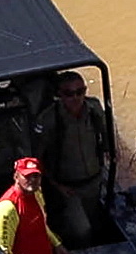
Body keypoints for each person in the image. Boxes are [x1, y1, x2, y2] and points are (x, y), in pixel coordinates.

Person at [33, 71, 110, 243]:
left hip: (94, 181)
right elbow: (37, 159)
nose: (76, 98)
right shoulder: (48, 119)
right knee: (82, 231)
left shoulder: (94, 108)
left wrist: (109, 150)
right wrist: (57, 186)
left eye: (80, 91)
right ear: (59, 95)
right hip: (67, 188)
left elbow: (106, 132)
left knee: (97, 224)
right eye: (69, 93)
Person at [0, 157, 61, 254]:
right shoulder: (7, 207)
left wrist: (57, 244)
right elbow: (4, 250)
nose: (33, 180)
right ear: (16, 176)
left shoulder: (37, 194)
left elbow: (42, 225)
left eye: (36, 175)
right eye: (27, 176)